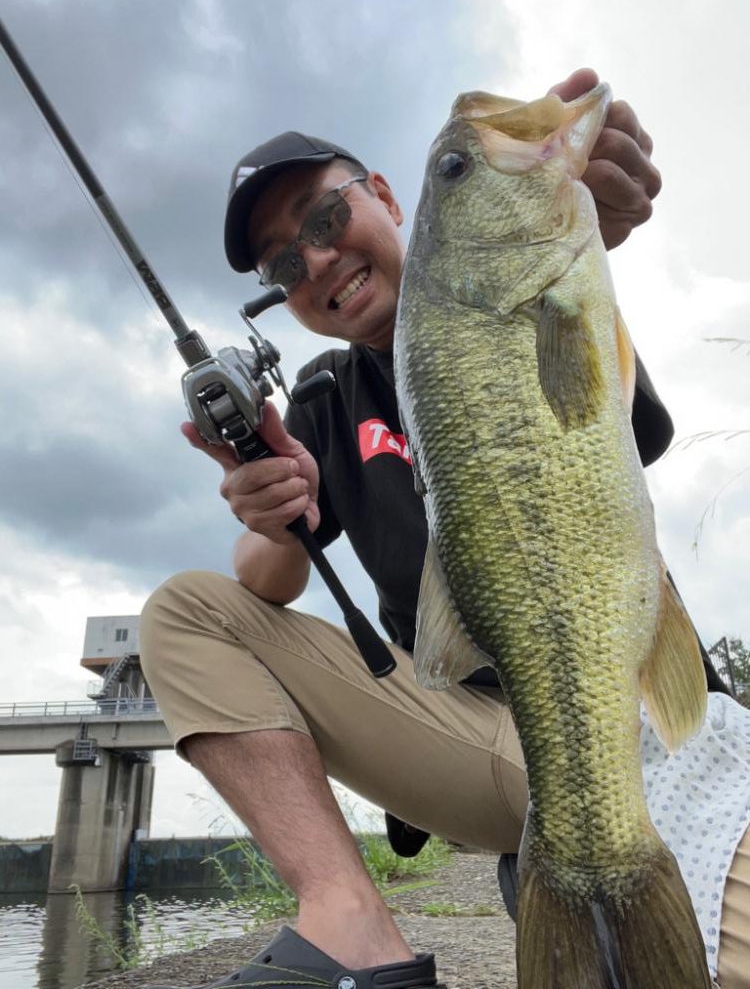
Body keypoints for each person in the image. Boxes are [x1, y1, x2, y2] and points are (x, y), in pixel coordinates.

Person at [140, 69, 748, 989]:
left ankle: (575, 858)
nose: (316, 262)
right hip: (470, 733)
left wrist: (590, 223)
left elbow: (606, 402)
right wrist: (276, 511)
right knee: (185, 612)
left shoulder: (531, 302)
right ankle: (352, 927)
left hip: (620, 709)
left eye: (323, 218)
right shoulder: (322, 402)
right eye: (282, 266)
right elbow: (265, 583)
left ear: (387, 198)